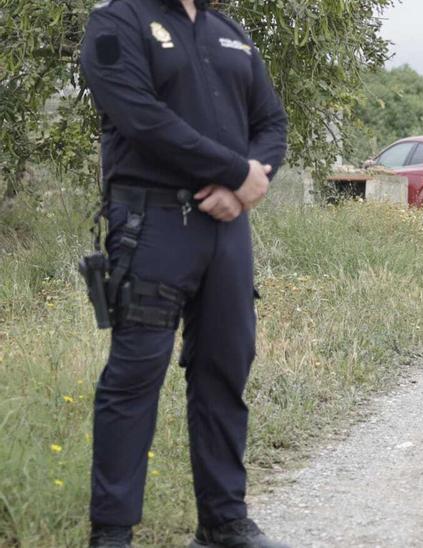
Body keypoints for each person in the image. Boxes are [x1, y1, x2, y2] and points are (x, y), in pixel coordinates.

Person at [79, 0, 288, 546]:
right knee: (133, 377)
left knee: (224, 370)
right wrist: (235, 171)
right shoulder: (118, 20)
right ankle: (113, 533)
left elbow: (271, 123)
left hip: (226, 230)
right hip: (151, 224)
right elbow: (140, 117)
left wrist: (246, 182)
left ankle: (222, 523)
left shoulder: (229, 31)